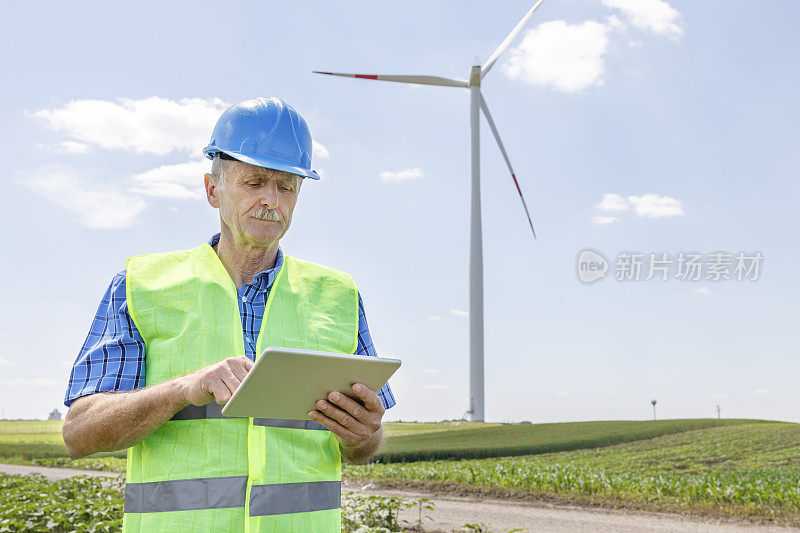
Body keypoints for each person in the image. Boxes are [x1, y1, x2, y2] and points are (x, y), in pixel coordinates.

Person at [61, 96, 396, 532]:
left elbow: (365, 444)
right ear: (212, 190)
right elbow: (79, 433)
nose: (271, 201)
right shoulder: (141, 284)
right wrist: (183, 388)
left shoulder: (338, 295)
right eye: (254, 182)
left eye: (287, 186)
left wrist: (364, 435)